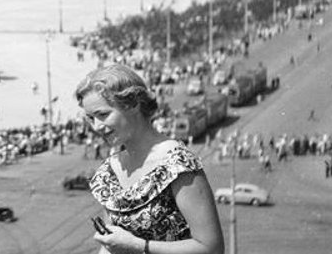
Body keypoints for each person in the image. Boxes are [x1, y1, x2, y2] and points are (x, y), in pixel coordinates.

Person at [76, 63, 224, 254]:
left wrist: (138, 246)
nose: (96, 126)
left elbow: (211, 248)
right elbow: (110, 245)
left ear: (133, 104)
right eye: (90, 118)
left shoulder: (177, 164)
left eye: (103, 115)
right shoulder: (110, 170)